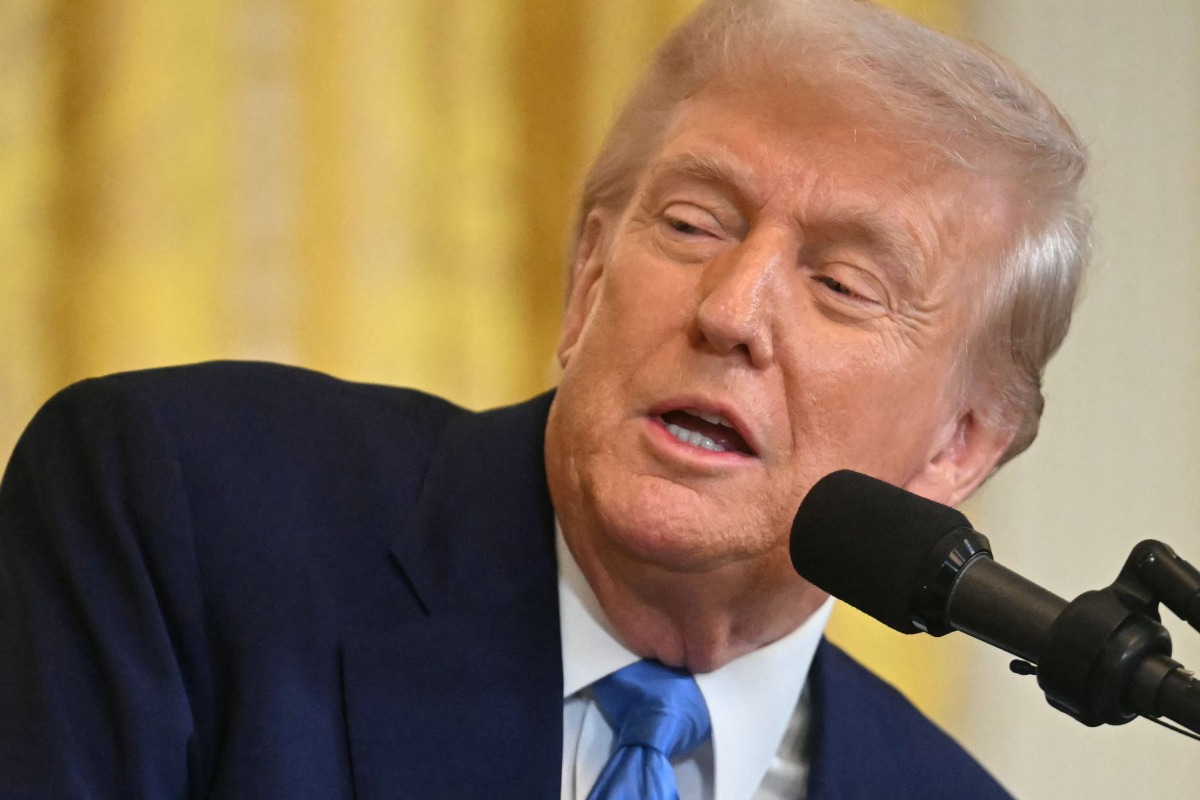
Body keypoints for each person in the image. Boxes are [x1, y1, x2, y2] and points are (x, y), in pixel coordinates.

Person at [0, 0, 1089, 797]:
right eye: (693, 223)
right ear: (586, 280)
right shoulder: (182, 512)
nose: (732, 309)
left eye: (843, 283)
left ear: (958, 448)